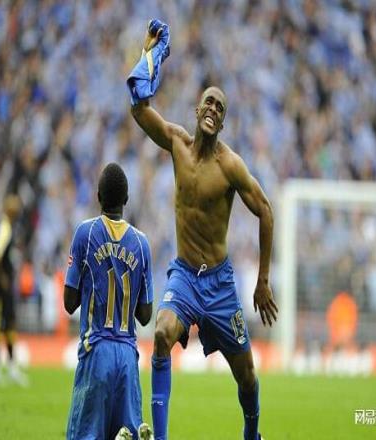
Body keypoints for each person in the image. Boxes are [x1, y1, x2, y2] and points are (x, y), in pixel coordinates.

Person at [128, 21, 278, 440]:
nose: (213, 109)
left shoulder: (230, 166)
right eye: (208, 103)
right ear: (196, 111)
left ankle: (252, 433)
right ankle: (159, 437)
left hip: (220, 286)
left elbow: (266, 211)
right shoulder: (176, 143)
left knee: (246, 376)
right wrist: (151, 53)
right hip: (184, 278)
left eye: (220, 108)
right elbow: (139, 108)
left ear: (222, 123)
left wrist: (262, 280)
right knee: (160, 334)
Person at [64, 162, 154, 440]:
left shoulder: (86, 233)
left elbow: (69, 302)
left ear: (98, 196)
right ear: (126, 199)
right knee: (127, 432)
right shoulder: (141, 243)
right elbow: (145, 315)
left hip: (96, 351)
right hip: (127, 356)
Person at [0, 193, 28, 386]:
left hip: (6, 285)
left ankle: (10, 366)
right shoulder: (4, 227)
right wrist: (2, 277)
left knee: (9, 322)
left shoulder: (7, 226)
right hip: (2, 286)